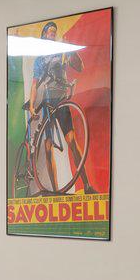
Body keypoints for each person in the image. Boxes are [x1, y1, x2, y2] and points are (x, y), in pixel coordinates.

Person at [24, 22, 85, 189]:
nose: (52, 35)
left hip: (61, 99)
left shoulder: (61, 52)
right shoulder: (40, 60)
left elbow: (79, 67)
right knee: (48, 146)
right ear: (44, 35)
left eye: (54, 33)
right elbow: (35, 84)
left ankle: (86, 184)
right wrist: (31, 104)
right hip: (48, 101)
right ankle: (55, 190)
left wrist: (72, 51)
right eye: (50, 32)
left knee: (71, 141)